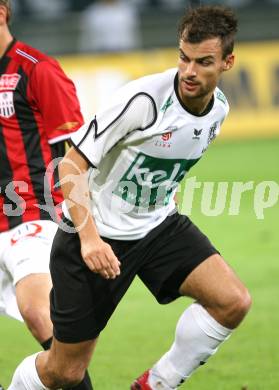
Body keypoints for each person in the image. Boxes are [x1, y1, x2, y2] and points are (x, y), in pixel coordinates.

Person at [8, 5, 252, 390]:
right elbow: (70, 166)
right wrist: (89, 240)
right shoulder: (143, 101)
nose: (189, 72)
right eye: (183, 58)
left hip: (157, 227)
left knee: (232, 301)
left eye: (203, 62)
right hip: (95, 237)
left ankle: (154, 385)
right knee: (64, 372)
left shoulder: (218, 111)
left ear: (227, 62)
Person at [0, 1, 93, 389]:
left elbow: (84, 151)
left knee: (39, 314)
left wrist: (89, 227)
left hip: (32, 213)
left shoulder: (35, 68)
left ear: (2, 10)